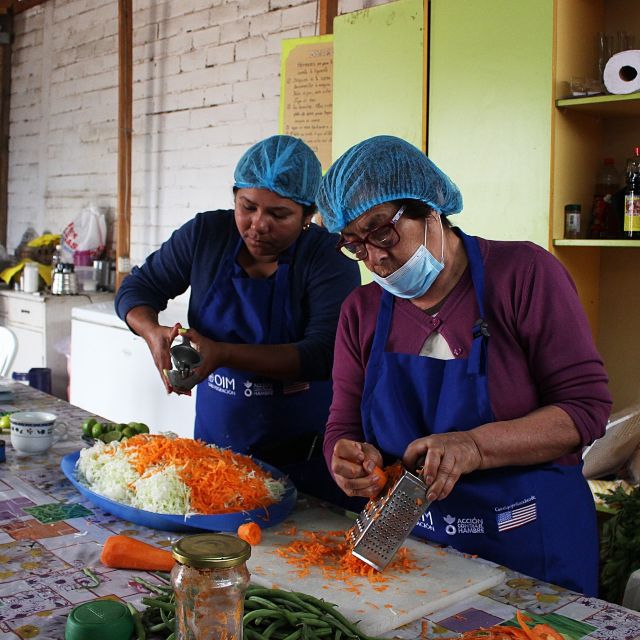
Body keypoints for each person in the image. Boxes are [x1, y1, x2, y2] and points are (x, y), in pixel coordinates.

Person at [316, 135, 612, 595]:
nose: (374, 258)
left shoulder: (525, 274)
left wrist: (474, 447)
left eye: (382, 232)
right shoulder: (362, 310)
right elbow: (343, 423)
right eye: (355, 245)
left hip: (530, 544)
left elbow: (585, 409)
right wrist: (345, 459)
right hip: (416, 550)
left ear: (429, 208)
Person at [115, 134, 361, 502]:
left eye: (279, 215)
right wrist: (152, 332)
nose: (258, 225)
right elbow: (136, 290)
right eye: (247, 207)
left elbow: (323, 353)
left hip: (303, 453)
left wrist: (223, 354)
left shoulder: (328, 258)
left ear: (309, 216)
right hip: (217, 446)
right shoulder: (205, 235)